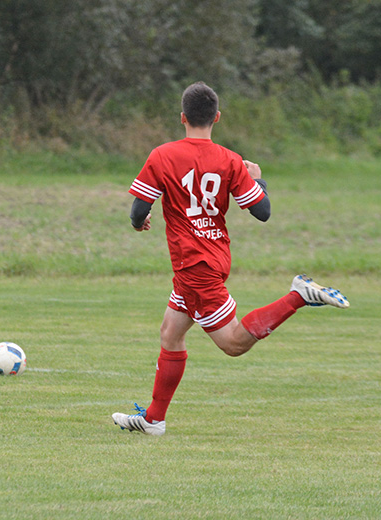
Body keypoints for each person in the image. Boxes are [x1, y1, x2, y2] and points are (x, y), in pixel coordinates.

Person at [112, 82, 349, 436]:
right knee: (170, 333)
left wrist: (139, 221)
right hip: (214, 256)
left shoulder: (162, 155)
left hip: (194, 266)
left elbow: (138, 210)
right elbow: (262, 212)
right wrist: (258, 180)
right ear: (216, 118)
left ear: (182, 117)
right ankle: (153, 420)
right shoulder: (230, 160)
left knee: (234, 343)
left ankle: (298, 295)